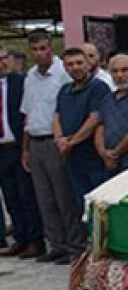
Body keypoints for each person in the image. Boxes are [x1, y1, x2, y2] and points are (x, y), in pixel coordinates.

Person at [21, 31, 77, 263]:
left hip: (56, 140)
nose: (39, 54)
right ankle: (56, 244)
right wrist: (25, 149)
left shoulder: (63, 74)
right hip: (35, 141)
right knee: (44, 197)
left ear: (51, 48)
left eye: (43, 48)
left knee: (63, 195)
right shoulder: (30, 76)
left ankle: (74, 245)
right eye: (35, 50)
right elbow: (27, 114)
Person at [54, 49, 109, 249]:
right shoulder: (64, 90)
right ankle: (89, 245)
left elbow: (95, 119)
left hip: (92, 157)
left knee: (98, 204)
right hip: (72, 159)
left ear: (88, 64)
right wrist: (59, 139)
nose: (75, 67)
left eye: (79, 62)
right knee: (80, 204)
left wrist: (71, 142)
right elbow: (57, 116)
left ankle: (102, 247)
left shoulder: (98, 88)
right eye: (70, 64)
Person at [0, 45, 43, 259]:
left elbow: (27, 113)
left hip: (18, 146)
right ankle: (20, 237)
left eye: (4, 58)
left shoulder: (21, 82)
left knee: (26, 194)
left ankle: (36, 240)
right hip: (1, 149)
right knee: (10, 196)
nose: (2, 63)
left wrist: (25, 147)